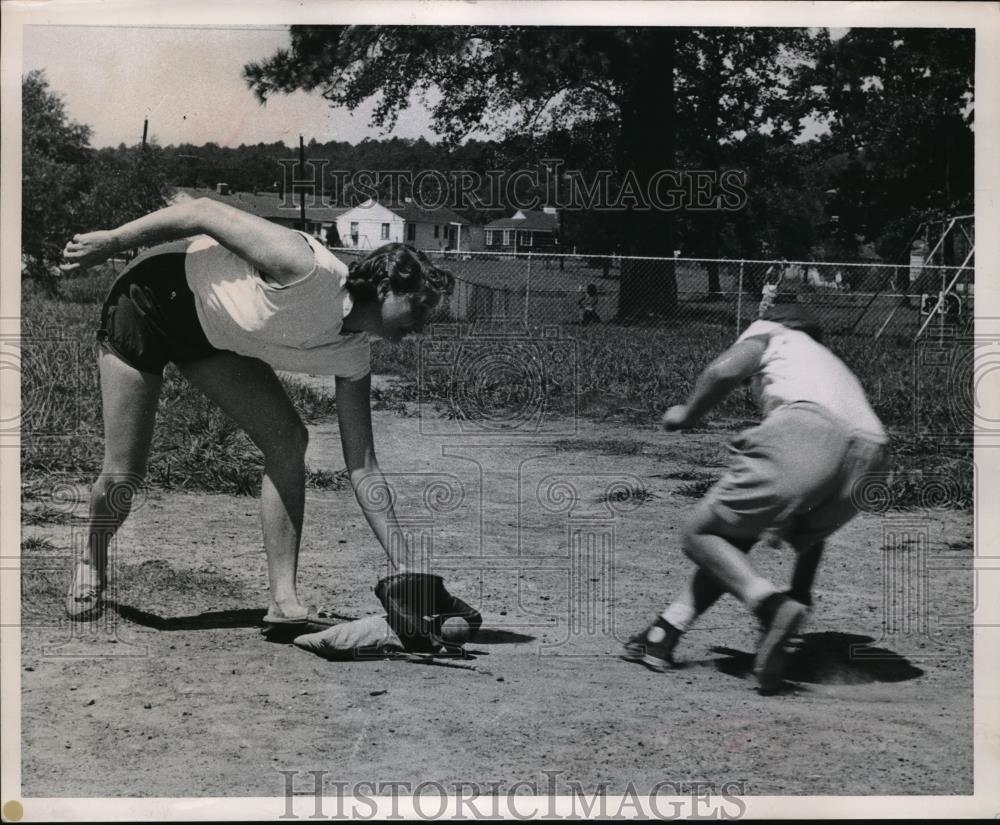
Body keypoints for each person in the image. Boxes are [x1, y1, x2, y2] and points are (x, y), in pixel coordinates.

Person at [60, 196, 479, 639]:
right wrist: (113, 241)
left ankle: (283, 599)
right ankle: (92, 557)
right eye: (417, 306)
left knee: (286, 439)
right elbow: (201, 211)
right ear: (386, 285)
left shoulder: (353, 355)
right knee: (125, 472)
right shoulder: (310, 271)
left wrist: (408, 566)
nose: (420, 323)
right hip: (150, 300)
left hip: (212, 338)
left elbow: (363, 466)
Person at [621, 304, 888, 692]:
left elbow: (722, 371)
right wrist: (800, 591)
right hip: (873, 459)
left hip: (810, 432)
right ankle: (666, 630)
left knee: (700, 534)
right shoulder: (828, 365)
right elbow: (809, 539)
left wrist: (687, 415)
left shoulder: (771, 333)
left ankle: (769, 605)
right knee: (731, 539)